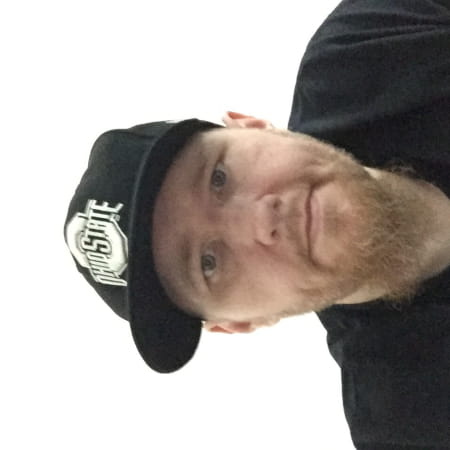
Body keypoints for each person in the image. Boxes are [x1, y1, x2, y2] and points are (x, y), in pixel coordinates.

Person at [64, 0, 450, 448]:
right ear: (240, 323)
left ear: (251, 126)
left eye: (219, 177)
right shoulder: (410, 424)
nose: (261, 220)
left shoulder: (368, 45)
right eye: (209, 263)